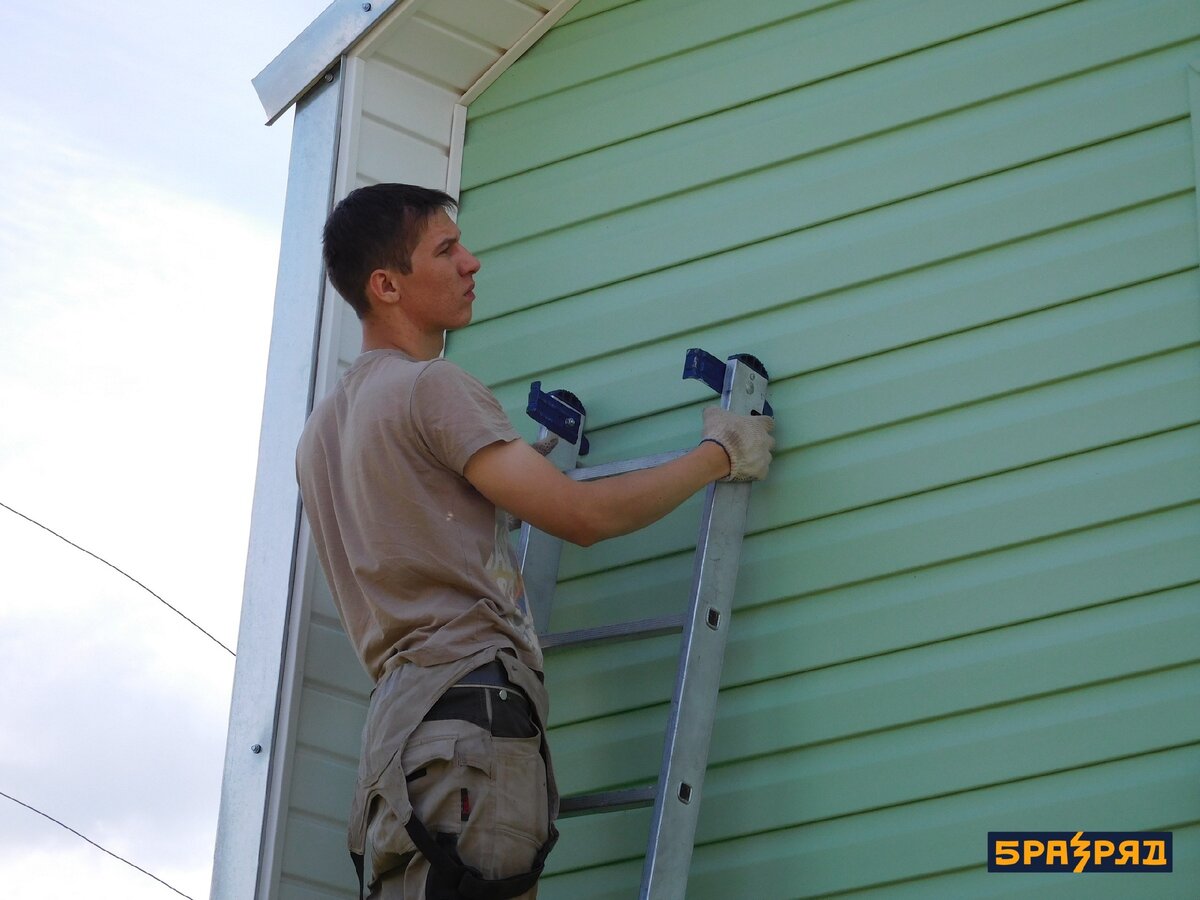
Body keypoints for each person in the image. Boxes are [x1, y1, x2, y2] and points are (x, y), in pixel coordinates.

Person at [295, 183, 775, 899]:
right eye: (446, 251)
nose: (472, 262)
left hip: (395, 753)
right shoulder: (431, 389)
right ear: (387, 285)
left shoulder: (321, 435)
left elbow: (422, 524)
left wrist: (501, 484)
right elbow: (581, 518)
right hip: (469, 724)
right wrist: (720, 454)